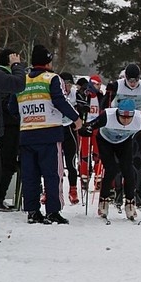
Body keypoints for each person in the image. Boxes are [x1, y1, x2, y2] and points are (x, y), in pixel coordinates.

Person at [17, 44, 82, 224]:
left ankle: (32, 211)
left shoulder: (22, 79)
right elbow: (60, 101)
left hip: (27, 134)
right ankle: (53, 211)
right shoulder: (52, 78)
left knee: (30, 176)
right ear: (47, 62)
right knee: (53, 174)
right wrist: (76, 118)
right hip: (49, 134)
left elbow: (13, 108)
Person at [81, 98, 141, 221]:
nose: (125, 120)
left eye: (128, 118)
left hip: (124, 142)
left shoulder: (138, 119)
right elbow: (89, 126)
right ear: (117, 113)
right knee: (111, 169)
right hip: (105, 141)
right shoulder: (108, 116)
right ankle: (104, 200)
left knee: (128, 171)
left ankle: (130, 203)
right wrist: (86, 130)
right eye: (122, 117)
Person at [0, 47, 26, 210]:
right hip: (7, 127)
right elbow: (14, 88)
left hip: (6, 126)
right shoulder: (3, 75)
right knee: (6, 165)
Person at [75, 74, 104, 195]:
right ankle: (84, 178)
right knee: (84, 154)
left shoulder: (100, 96)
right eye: (97, 84)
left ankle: (98, 179)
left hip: (97, 127)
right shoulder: (85, 93)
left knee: (98, 154)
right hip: (85, 126)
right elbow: (78, 104)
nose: (99, 87)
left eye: (100, 85)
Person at [58, 72, 80, 204]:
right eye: (65, 84)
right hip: (56, 128)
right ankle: (51, 191)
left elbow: (82, 104)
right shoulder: (55, 91)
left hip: (69, 129)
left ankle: (73, 190)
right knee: (55, 163)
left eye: (70, 84)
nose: (67, 87)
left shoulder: (74, 94)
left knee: (71, 162)